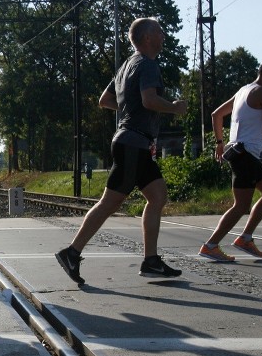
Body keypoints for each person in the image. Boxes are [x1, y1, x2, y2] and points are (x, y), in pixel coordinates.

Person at [55, 17, 188, 285]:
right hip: (133, 143)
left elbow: (106, 100)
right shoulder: (148, 64)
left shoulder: (127, 65)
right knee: (110, 202)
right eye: (159, 32)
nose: (163, 36)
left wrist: (130, 110)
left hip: (132, 142)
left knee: (157, 195)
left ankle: (151, 260)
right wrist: (174, 106)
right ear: (148, 38)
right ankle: (71, 252)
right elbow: (149, 100)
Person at [198, 59, 262, 261]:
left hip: (237, 151)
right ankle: (213, 245)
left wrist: (220, 142)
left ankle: (242, 239)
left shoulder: (243, 90)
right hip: (245, 153)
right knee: (247, 203)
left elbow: (216, 115)